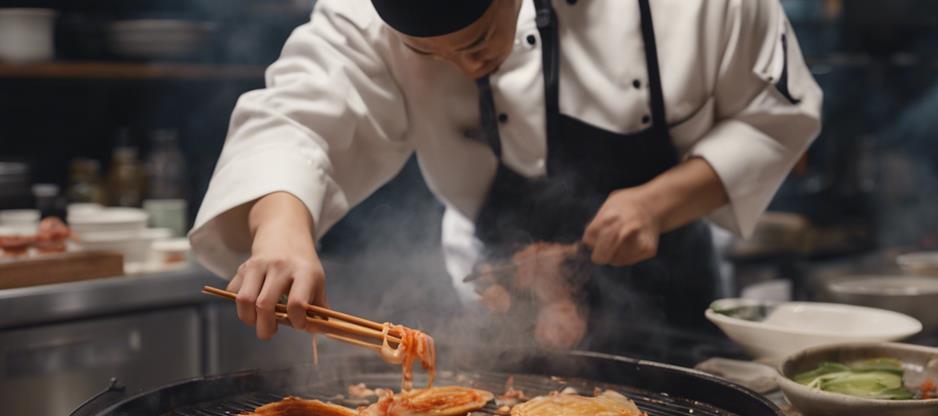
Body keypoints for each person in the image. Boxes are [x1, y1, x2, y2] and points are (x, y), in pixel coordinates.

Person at [191, 0, 822, 358]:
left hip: (672, 295)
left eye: (477, 40)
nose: (466, 68)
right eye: (428, 55)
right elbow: (293, 117)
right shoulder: (365, 12)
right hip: (499, 290)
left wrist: (659, 203)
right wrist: (279, 230)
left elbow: (779, 123)